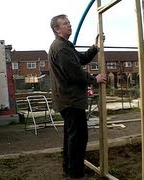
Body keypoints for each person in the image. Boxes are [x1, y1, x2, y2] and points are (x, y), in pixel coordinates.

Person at [48, 14, 106, 179]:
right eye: (65, 24)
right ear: (57, 29)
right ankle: (75, 174)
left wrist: (95, 47)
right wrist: (94, 79)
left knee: (71, 136)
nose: (69, 25)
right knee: (78, 138)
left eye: (69, 23)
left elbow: (81, 59)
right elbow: (74, 73)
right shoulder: (60, 48)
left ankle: (69, 169)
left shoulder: (66, 45)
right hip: (70, 101)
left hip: (68, 100)